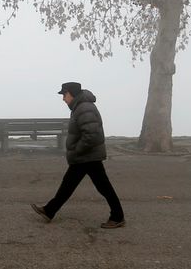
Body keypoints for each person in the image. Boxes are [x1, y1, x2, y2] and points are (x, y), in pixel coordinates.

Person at [31, 82, 125, 229]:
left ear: (72, 93)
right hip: (84, 156)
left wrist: (76, 150)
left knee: (102, 187)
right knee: (68, 184)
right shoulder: (79, 107)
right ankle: (49, 210)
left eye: (64, 94)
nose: (63, 98)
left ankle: (118, 217)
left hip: (87, 156)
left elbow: (92, 135)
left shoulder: (84, 108)